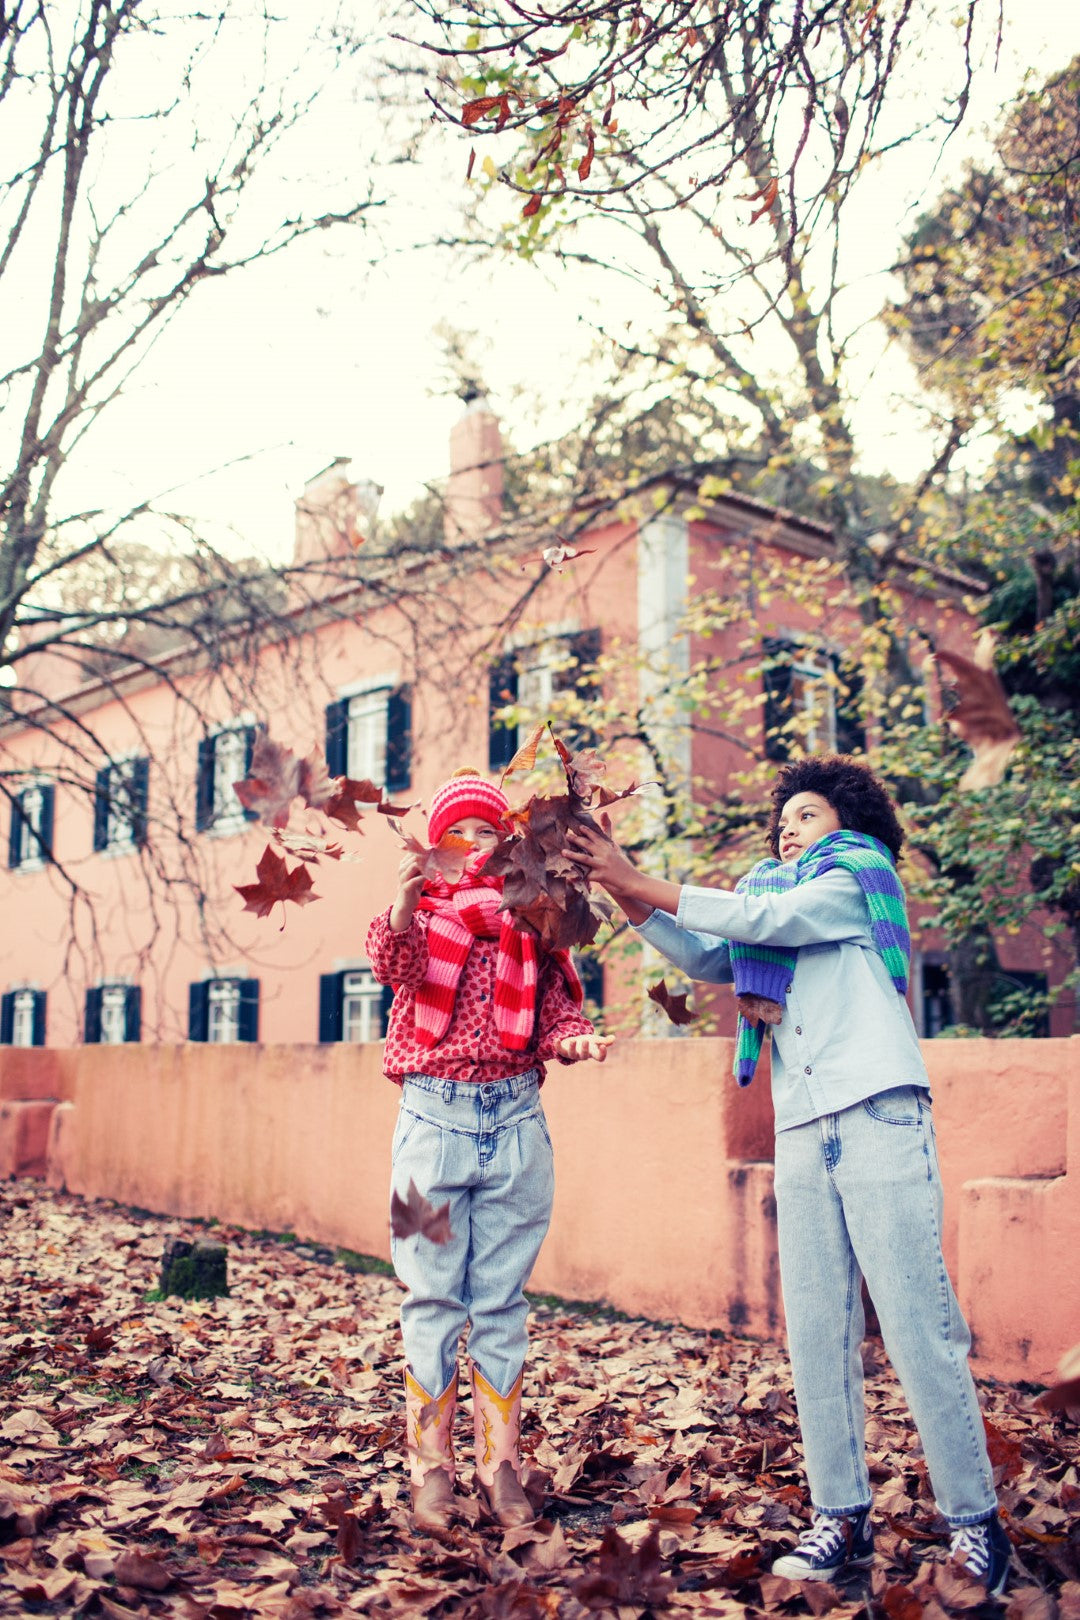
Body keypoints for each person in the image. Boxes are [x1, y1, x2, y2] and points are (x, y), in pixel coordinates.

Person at [564, 755, 1011, 1596]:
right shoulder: (769, 908)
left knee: (919, 1326)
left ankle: (974, 1522)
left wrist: (640, 878)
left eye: (805, 814)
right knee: (816, 1332)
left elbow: (769, 918)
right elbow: (708, 957)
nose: (787, 828)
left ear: (849, 821)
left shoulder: (853, 882)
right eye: (782, 819)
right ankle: (840, 1516)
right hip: (803, 1127)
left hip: (879, 1110)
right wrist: (621, 887)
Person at [366, 769, 611, 1534]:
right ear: (433, 848)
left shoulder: (531, 921)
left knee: (501, 1304)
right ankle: (430, 1471)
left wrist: (572, 1040)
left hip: (515, 1127)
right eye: (455, 836)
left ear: (507, 843)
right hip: (429, 1130)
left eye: (485, 833)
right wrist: (405, 905)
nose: (472, 847)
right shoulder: (420, 920)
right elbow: (392, 968)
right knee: (429, 1300)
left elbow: (554, 1010)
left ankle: (500, 1465)